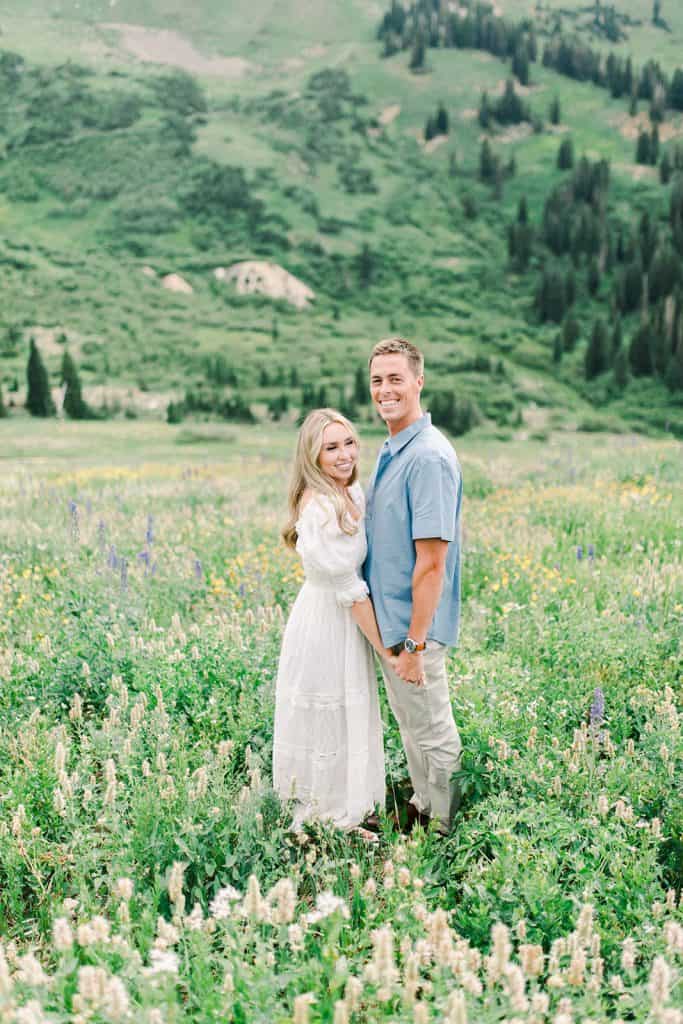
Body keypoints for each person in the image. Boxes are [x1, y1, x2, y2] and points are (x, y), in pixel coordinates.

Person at [273, 408, 388, 838]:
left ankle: (350, 806)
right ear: (313, 456)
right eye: (331, 447)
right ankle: (323, 815)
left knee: (348, 711)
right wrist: (386, 650)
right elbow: (348, 587)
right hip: (326, 618)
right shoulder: (318, 506)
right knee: (327, 710)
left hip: (344, 614)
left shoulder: (350, 492)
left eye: (349, 443)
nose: (344, 455)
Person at [364, 337, 463, 835]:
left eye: (395, 378)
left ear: (419, 382)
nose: (385, 390)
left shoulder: (427, 458)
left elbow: (432, 563)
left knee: (434, 731)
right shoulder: (392, 448)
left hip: (413, 629)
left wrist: (413, 644)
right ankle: (424, 809)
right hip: (395, 627)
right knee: (413, 727)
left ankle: (445, 831)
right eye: (377, 380)